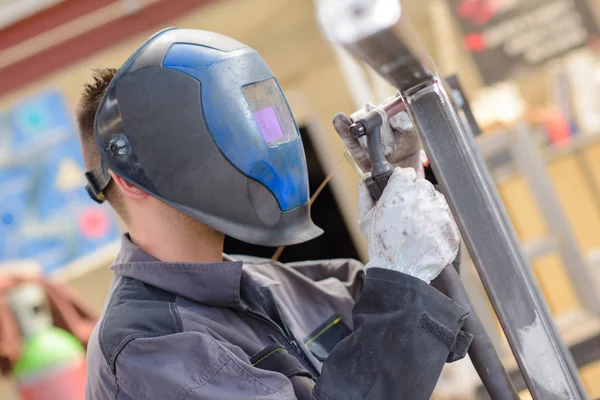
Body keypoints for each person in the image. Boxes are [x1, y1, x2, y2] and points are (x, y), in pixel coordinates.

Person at [79, 28, 469, 400]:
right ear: (130, 178)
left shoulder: (270, 284)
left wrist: (404, 178)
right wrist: (402, 279)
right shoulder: (146, 348)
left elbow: (435, 335)